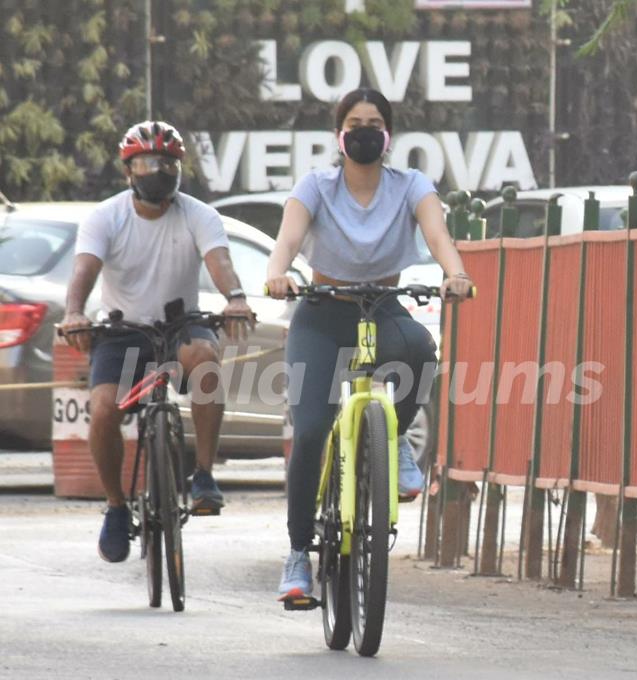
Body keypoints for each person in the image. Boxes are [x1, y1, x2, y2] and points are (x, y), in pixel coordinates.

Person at [265, 88, 474, 598]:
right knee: (311, 429)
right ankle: (297, 555)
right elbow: (288, 239)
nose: (363, 129)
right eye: (353, 122)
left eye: (374, 122)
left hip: (383, 306)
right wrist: (276, 272)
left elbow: (438, 234)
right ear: (339, 135)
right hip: (320, 313)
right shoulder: (316, 185)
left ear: (388, 135)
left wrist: (456, 274)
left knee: (421, 349)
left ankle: (395, 438)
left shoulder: (411, 185)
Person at [60, 121, 255, 563]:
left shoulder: (198, 214)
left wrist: (237, 299)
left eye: (167, 162)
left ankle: (203, 474)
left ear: (180, 168)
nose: (158, 170)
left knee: (205, 358)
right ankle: (114, 506)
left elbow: (219, 261)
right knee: (105, 410)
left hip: (179, 323)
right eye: (147, 163)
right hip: (121, 330)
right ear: (129, 170)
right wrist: (74, 312)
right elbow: (84, 272)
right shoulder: (105, 216)